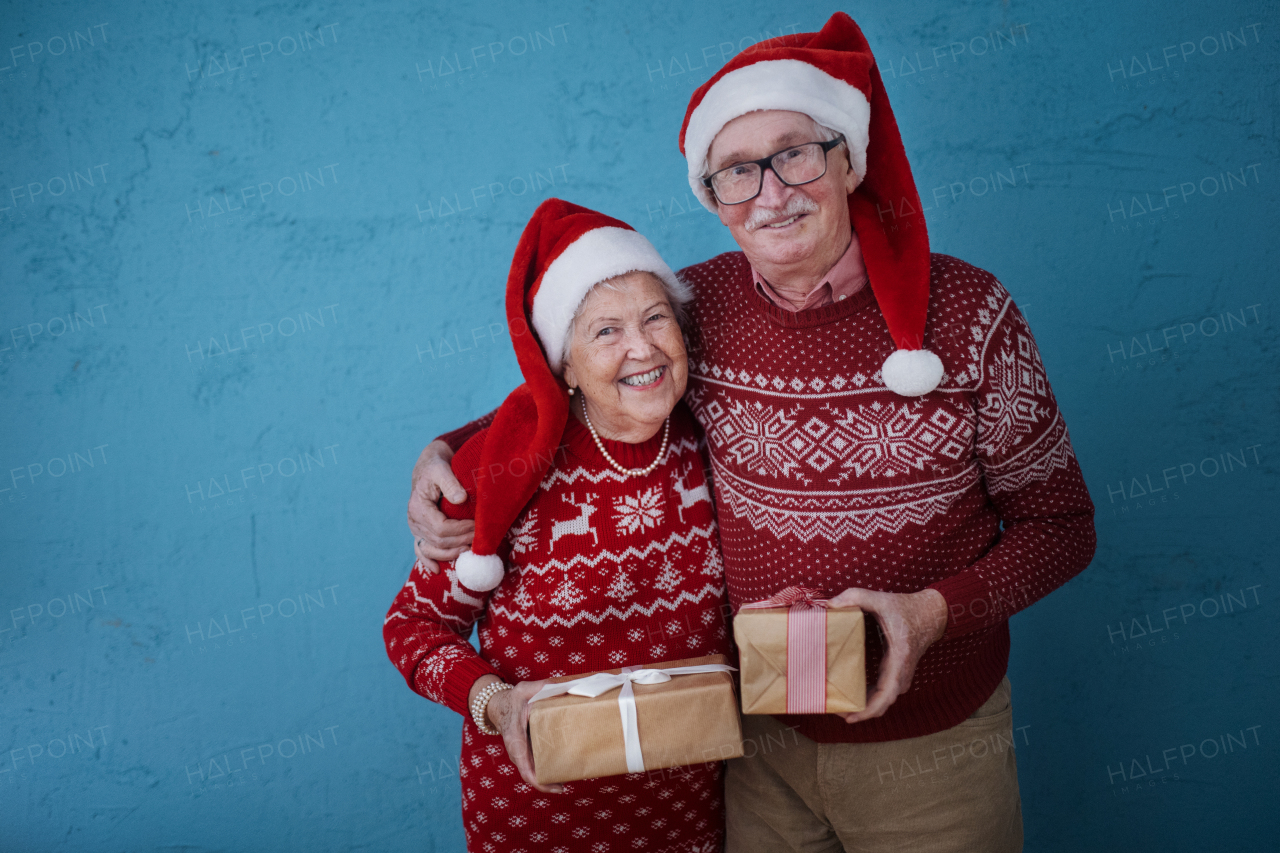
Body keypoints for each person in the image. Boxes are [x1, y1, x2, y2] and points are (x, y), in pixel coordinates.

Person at [410, 13, 1096, 852]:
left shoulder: (970, 313)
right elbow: (579, 381)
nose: (771, 193)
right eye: (737, 172)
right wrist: (445, 450)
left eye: (795, 153)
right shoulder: (697, 307)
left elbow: (1063, 528)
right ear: (714, 199)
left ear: (848, 160)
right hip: (753, 750)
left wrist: (930, 615)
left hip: (932, 749)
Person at [384, 199, 732, 853]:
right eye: (605, 331)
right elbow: (410, 627)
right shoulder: (504, 471)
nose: (642, 347)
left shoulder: (711, 430)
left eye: (656, 317)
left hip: (689, 812)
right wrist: (492, 699)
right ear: (564, 365)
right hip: (540, 813)